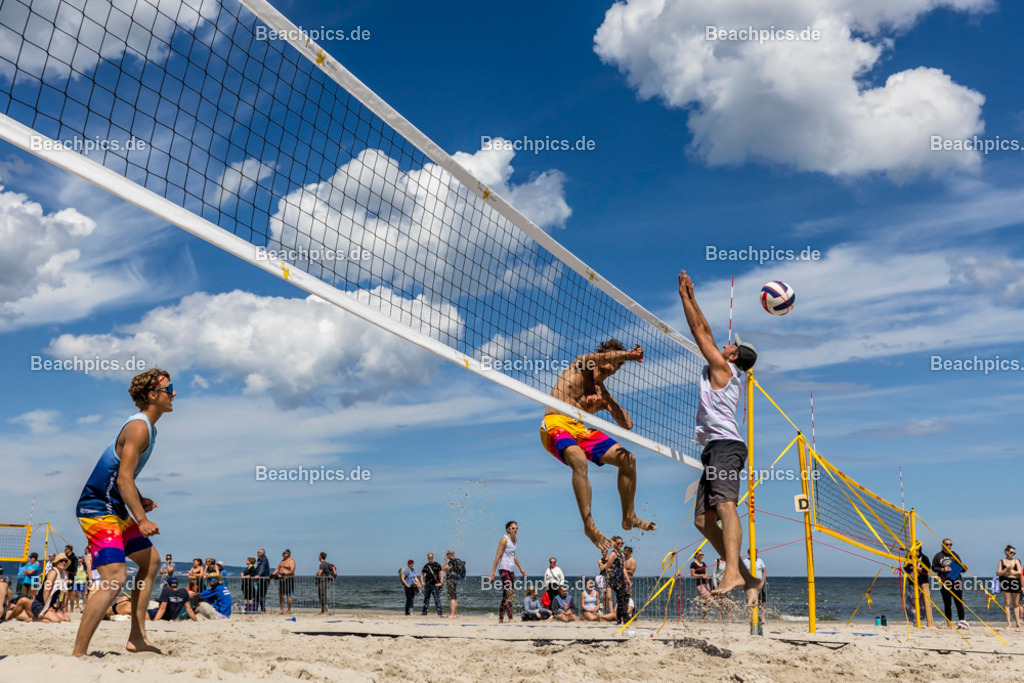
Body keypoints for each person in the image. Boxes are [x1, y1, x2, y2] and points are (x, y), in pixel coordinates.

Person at [72, 368, 175, 658]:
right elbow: (123, 479)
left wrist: (140, 500)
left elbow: (122, 475)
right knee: (115, 578)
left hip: (114, 506)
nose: (174, 393)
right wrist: (142, 519)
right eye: (169, 389)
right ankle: (78, 656)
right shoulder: (139, 427)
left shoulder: (150, 429)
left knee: (151, 561)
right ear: (152, 395)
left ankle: (137, 638)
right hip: (96, 507)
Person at [679, 270, 762, 607]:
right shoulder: (725, 369)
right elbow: (707, 331)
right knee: (702, 520)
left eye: (732, 345)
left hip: (726, 447)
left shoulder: (724, 370)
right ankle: (747, 577)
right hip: (716, 448)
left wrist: (683, 299)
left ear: (733, 356)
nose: (726, 344)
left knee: (726, 506)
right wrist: (694, 298)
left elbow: (700, 332)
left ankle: (732, 572)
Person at [540, 339, 656, 550]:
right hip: (555, 422)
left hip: (580, 430)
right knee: (579, 459)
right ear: (603, 355)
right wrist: (630, 355)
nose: (614, 363)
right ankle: (589, 525)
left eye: (618, 363)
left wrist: (607, 402)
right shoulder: (582, 364)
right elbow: (601, 358)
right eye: (612, 356)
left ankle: (629, 516)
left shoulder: (601, 392)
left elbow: (627, 424)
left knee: (628, 459)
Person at [488, 520, 527, 623]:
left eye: (517, 528)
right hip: (504, 569)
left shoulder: (515, 539)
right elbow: (497, 556)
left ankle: (501, 618)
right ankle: (511, 619)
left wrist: (521, 568)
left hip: (511, 569)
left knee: (507, 595)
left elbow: (513, 555)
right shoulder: (504, 539)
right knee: (509, 593)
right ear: (508, 529)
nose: (515, 530)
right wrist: (492, 573)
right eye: (513, 528)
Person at [932, 538, 968, 628]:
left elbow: (961, 569)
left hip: (956, 581)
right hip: (945, 582)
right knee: (947, 604)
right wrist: (942, 569)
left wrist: (964, 568)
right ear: (943, 545)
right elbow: (933, 568)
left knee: (959, 602)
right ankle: (949, 624)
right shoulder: (938, 556)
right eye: (947, 544)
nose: (949, 546)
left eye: (950, 544)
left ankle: (962, 623)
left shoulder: (954, 555)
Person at [30, 553, 72, 623]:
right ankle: (35, 618)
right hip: (41, 603)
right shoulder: (53, 572)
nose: (64, 562)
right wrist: (48, 607)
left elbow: (62, 592)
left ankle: (42, 617)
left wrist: (60, 606)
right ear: (56, 562)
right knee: (57, 620)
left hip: (52, 604)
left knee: (67, 619)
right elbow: (46, 591)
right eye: (61, 560)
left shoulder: (64, 574)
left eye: (65, 561)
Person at [600, 536, 632, 624]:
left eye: (622, 543)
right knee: (622, 596)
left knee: (624, 597)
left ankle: (619, 617)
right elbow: (607, 567)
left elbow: (623, 568)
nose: (620, 545)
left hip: (621, 578)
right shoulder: (613, 554)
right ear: (614, 544)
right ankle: (624, 617)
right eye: (618, 543)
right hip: (615, 579)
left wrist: (628, 579)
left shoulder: (621, 555)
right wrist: (609, 578)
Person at [903, 545, 932, 627]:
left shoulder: (924, 558)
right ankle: (915, 621)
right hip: (912, 583)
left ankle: (929, 622)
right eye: (914, 549)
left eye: (917, 549)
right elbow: (905, 568)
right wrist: (912, 568)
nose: (916, 551)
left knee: (926, 602)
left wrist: (920, 569)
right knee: (912, 602)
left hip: (924, 582)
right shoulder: (908, 558)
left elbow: (927, 568)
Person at [997, 545, 1022, 629]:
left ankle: (1018, 622)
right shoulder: (1001, 561)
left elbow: (1019, 572)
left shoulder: (1016, 561)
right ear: (1006, 552)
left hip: (1015, 582)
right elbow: (998, 573)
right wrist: (1006, 570)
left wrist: (1010, 572)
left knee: (1016, 603)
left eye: (1014, 553)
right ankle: (1009, 623)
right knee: (1007, 603)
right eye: (1011, 552)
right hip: (1005, 582)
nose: (1013, 554)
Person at [272, 549, 296, 614]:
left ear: (288, 554)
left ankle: (288, 610)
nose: (282, 555)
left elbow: (292, 570)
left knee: (289, 595)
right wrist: (272, 575)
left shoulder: (291, 561)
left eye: (284, 553)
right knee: (281, 595)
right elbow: (277, 569)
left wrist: (284, 574)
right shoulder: (282, 561)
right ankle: (281, 609)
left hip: (288, 579)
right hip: (282, 580)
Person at [420, 552, 443, 617]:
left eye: (431, 557)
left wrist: (441, 582)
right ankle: (424, 612)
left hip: (435, 585)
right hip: (427, 585)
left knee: (437, 599)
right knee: (426, 600)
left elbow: (441, 573)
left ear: (433, 557)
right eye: (429, 557)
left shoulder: (437, 565)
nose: (430, 558)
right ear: (427, 558)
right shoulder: (426, 566)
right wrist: (422, 582)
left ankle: (439, 613)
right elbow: (421, 574)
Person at [690, 550, 711, 621]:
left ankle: (703, 617)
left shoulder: (703, 563)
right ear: (696, 555)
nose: (701, 556)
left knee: (706, 601)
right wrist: (701, 575)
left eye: (702, 554)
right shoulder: (693, 564)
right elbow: (692, 574)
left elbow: (706, 573)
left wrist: (706, 576)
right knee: (708, 597)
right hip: (699, 584)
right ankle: (703, 617)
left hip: (705, 583)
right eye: (700, 555)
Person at [443, 550, 460, 619]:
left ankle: (452, 614)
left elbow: (444, 568)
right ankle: (455, 613)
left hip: (450, 580)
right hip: (454, 579)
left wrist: (445, 560)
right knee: (454, 597)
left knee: (451, 597)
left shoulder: (451, 562)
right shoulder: (456, 561)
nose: (446, 555)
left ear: (450, 554)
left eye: (447, 554)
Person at [255, 548, 271, 612]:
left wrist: (258, 575)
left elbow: (262, 568)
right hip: (260, 580)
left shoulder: (264, 559)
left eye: (258, 552)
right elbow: (257, 568)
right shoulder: (259, 559)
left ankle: (262, 608)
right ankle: (257, 608)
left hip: (264, 580)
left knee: (261, 594)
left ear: (261, 553)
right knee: (259, 594)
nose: (257, 553)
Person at [597, 548, 612, 613]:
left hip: (608, 578)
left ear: (607, 552)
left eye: (604, 552)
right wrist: (608, 563)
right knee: (604, 597)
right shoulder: (600, 560)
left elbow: (611, 568)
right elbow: (602, 568)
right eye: (602, 552)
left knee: (609, 596)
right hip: (602, 578)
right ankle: (606, 611)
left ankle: (611, 611)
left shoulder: (610, 559)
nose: (603, 553)